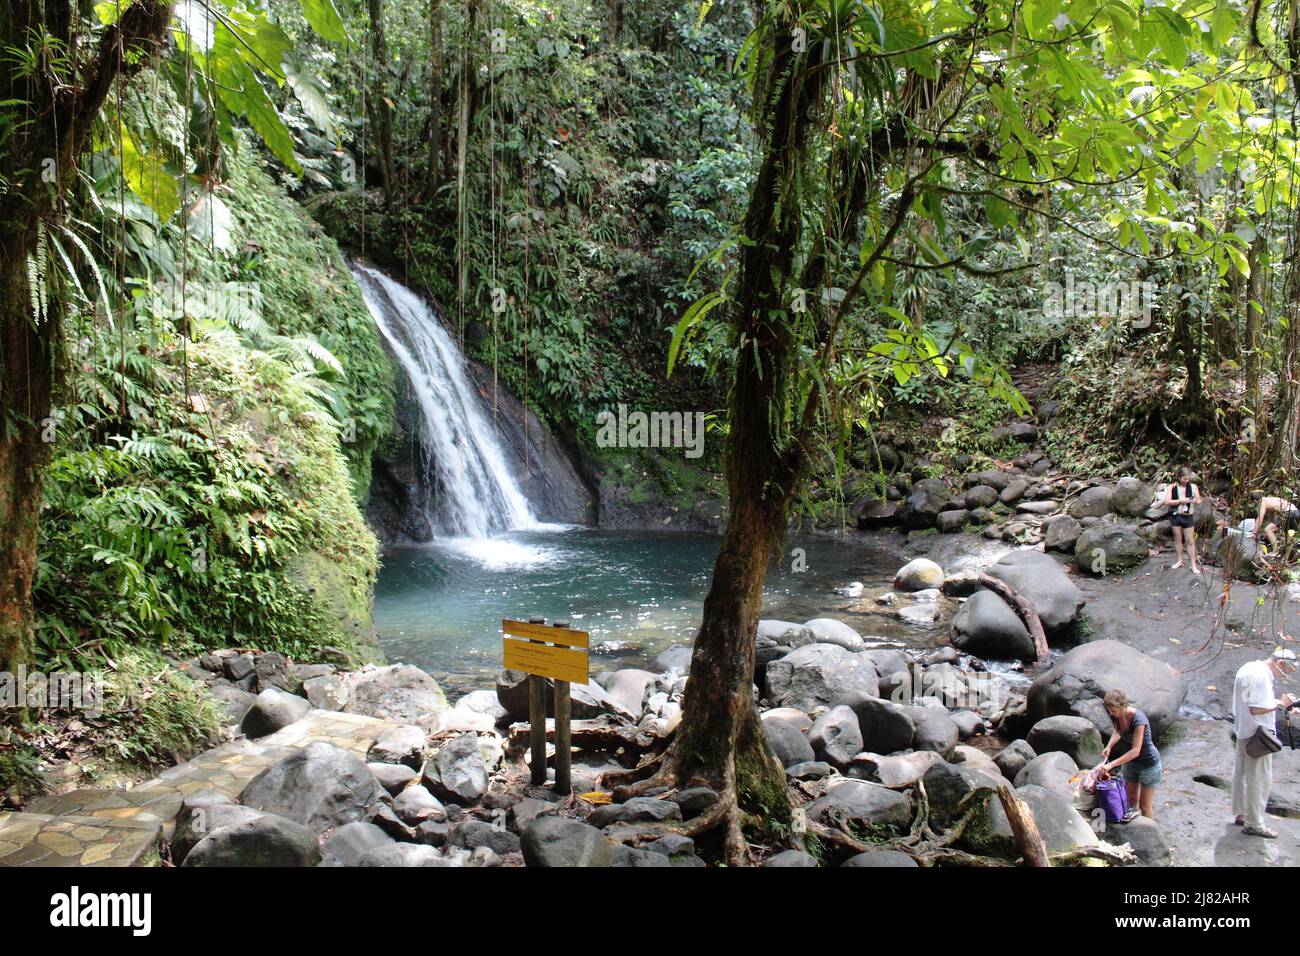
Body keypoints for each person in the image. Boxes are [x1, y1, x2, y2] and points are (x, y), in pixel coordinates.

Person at [1231, 648, 1297, 838]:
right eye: (1288, 670)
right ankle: (1254, 824)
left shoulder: (1250, 667)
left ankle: (1241, 813)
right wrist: (1280, 704)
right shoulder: (1261, 677)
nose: (1286, 675)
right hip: (1258, 735)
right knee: (1259, 779)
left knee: (1241, 774)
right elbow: (1256, 708)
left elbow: (1251, 701)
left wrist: (1279, 704)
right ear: (1280, 664)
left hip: (1244, 730)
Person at [1099, 689, 1161, 821]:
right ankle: (1132, 829)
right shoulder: (1116, 716)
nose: (1111, 714)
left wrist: (1111, 764)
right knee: (1131, 800)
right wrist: (1109, 746)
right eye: (1109, 711)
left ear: (1123, 706)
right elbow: (1117, 730)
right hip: (1130, 764)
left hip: (1148, 765)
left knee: (1145, 806)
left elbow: (1135, 750)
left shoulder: (1139, 719)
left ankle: (1148, 833)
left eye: (1114, 711)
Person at [1162, 467, 1201, 574]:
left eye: (1187, 478)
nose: (1186, 481)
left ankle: (1193, 564)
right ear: (1179, 477)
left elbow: (1198, 500)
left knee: (1190, 540)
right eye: (1184, 479)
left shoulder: (1193, 487)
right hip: (1175, 515)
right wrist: (1181, 500)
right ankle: (1180, 560)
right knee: (1177, 538)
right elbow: (1167, 501)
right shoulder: (1172, 487)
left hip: (1188, 516)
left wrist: (1194, 500)